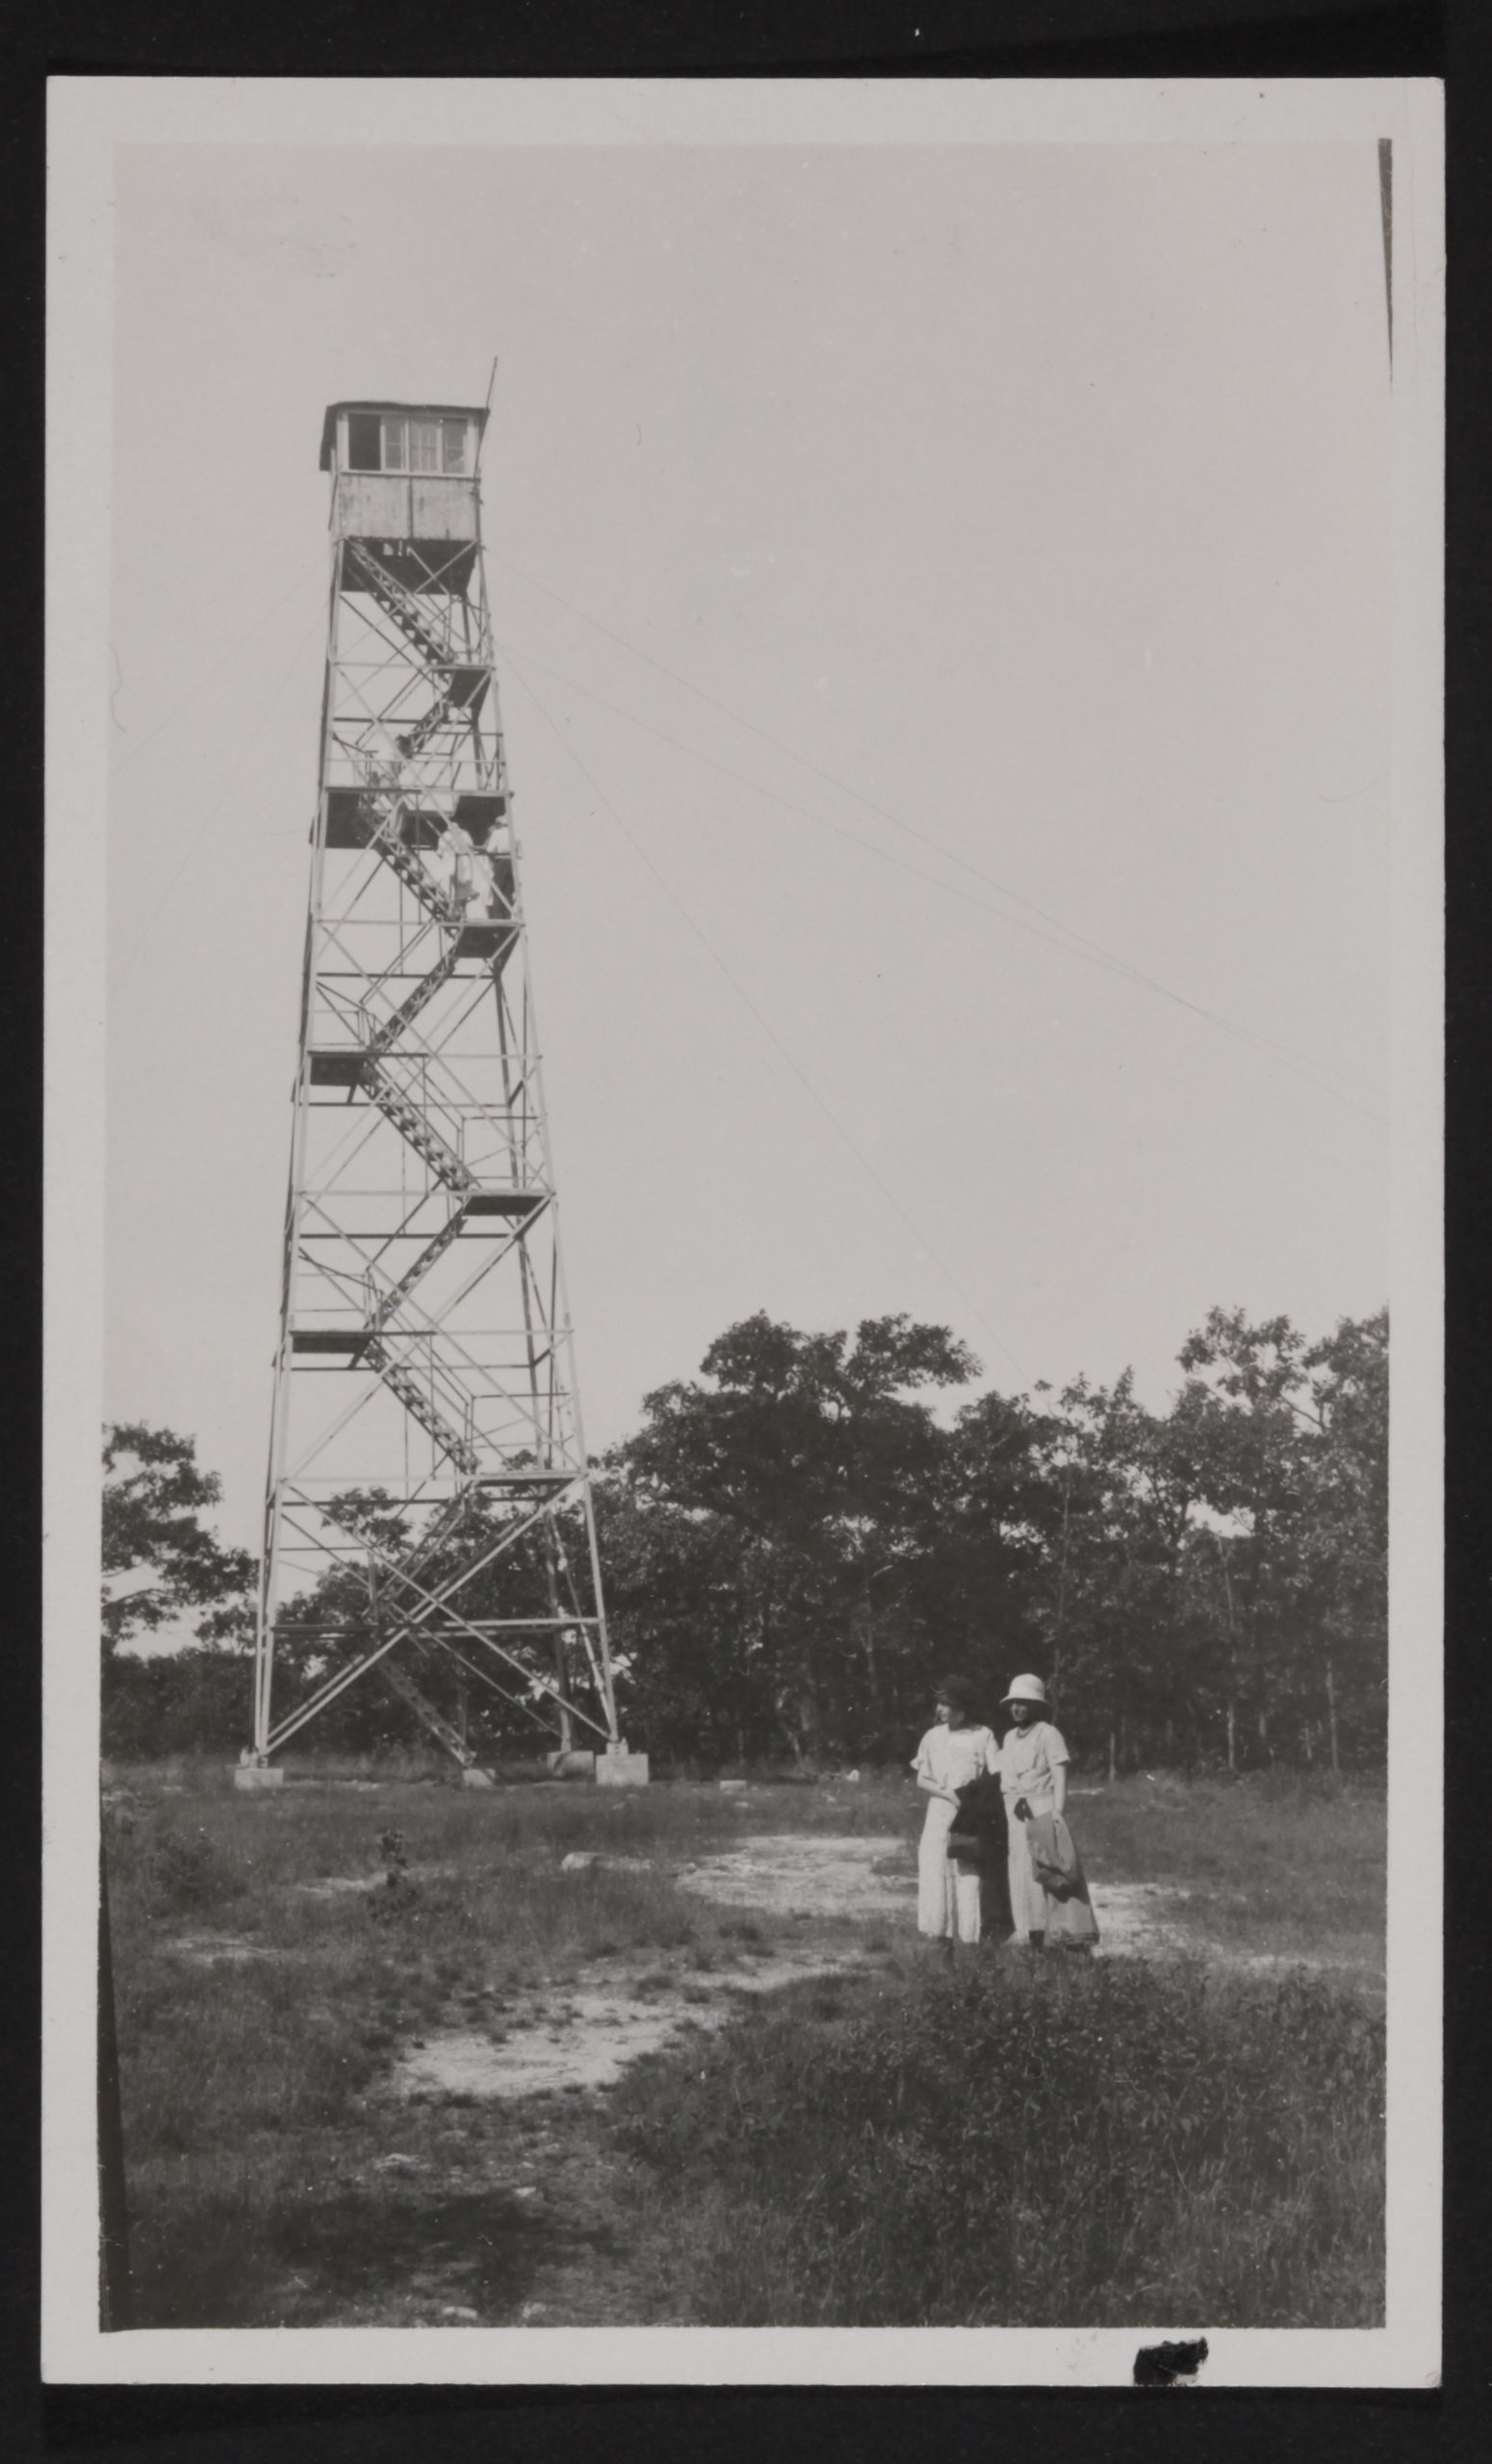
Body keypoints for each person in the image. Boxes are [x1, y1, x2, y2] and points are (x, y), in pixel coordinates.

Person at [998, 1673, 1099, 1949]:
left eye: (1024, 1703)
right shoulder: (1008, 1738)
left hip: (1041, 1810)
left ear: (1036, 1705)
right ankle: (1030, 1935)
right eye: (1013, 1703)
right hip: (1015, 1812)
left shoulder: (1048, 1734)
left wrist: (1057, 1813)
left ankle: (1059, 1938)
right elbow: (1007, 1776)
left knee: (1048, 1872)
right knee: (1021, 1875)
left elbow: (1060, 1775)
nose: (1017, 1708)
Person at [911, 1678, 1000, 1945]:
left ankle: (971, 1941)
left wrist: (974, 1797)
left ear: (962, 1708)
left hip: (969, 1814)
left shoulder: (982, 1735)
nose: (940, 1709)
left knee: (968, 1874)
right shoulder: (932, 1736)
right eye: (939, 1703)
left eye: (946, 1704)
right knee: (937, 1871)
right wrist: (948, 1794)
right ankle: (941, 1940)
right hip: (939, 1812)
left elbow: (996, 1774)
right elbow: (922, 1778)